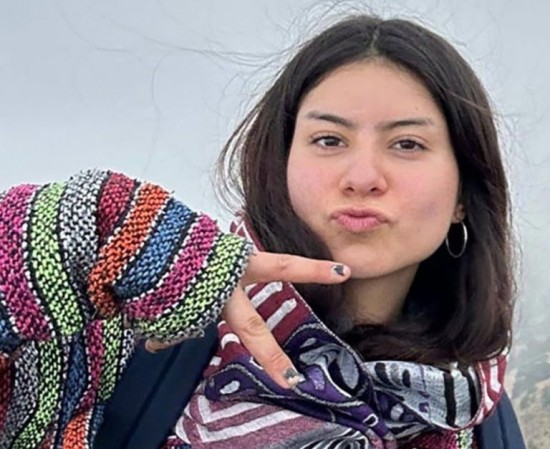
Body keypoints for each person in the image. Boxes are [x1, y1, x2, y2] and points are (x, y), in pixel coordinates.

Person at [0, 13, 523, 449]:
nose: (362, 176)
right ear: (280, 166)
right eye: (329, 140)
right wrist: (81, 230)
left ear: (463, 195)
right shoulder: (123, 345)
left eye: (407, 144)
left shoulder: (476, 415)